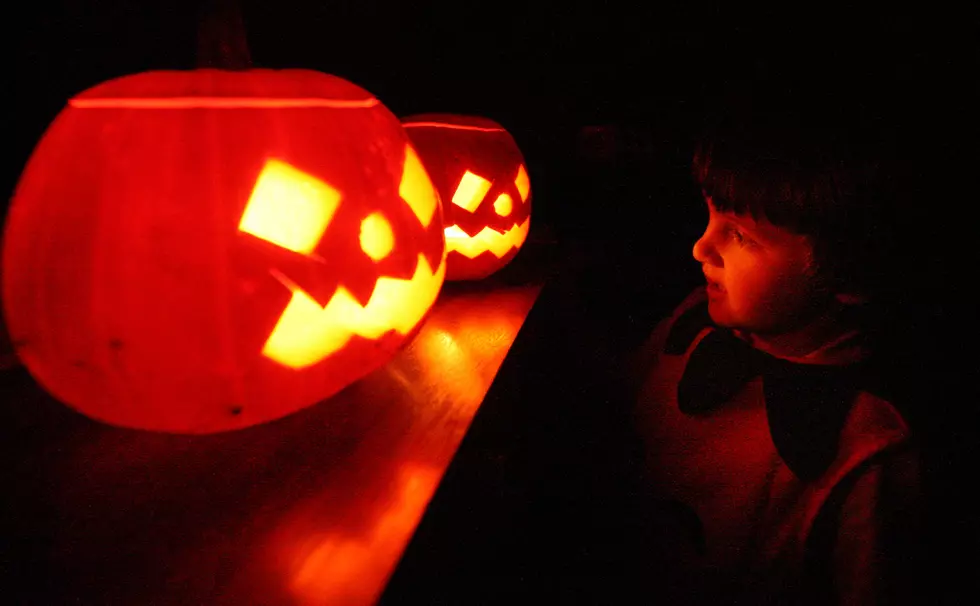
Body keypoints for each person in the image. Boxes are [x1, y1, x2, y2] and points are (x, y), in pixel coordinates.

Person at [624, 91, 924, 605]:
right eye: (710, 217)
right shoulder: (690, 325)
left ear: (850, 272)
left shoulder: (864, 449)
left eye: (739, 235)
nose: (701, 248)